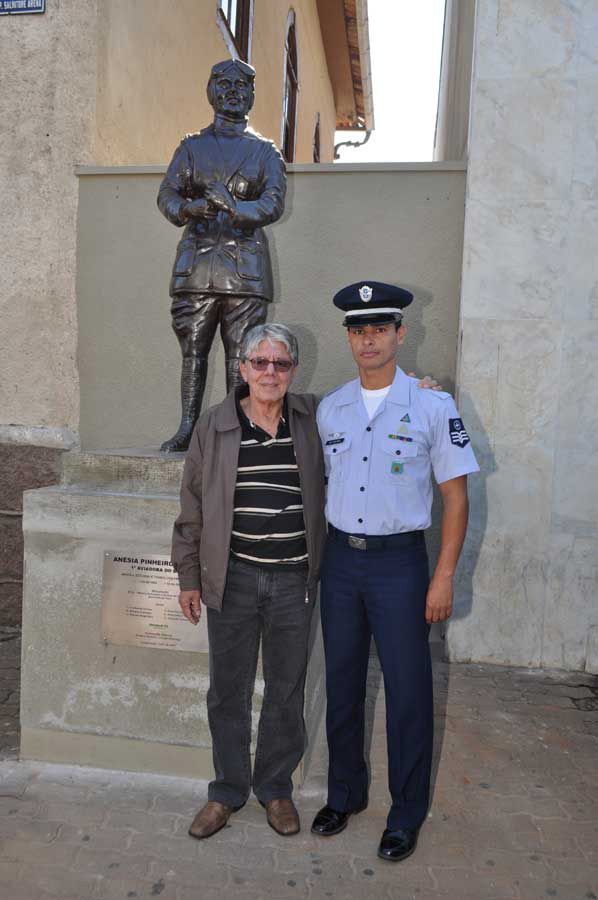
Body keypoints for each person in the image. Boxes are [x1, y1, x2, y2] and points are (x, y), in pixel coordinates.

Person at [311, 281, 479, 862]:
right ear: (349, 338)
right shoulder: (330, 407)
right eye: (358, 330)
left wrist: (445, 576)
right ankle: (345, 795)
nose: (368, 340)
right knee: (342, 684)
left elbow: (456, 500)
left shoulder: (433, 405)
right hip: (340, 563)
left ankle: (406, 813)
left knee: (408, 692)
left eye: (379, 329)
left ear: (400, 334)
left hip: (400, 566)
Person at [172, 323, 325, 839]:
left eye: (280, 364)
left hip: (293, 582)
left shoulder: (312, 419)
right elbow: (191, 507)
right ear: (242, 369)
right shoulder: (214, 425)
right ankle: (227, 791)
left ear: (292, 372)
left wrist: (419, 392)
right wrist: (188, 576)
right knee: (227, 691)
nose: (269, 372)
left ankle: (275, 789)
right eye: (259, 362)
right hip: (232, 580)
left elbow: (369, 411)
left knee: (286, 689)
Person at [157, 60, 286, 452]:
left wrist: (233, 207)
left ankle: (238, 428)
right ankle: (187, 428)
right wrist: (190, 209)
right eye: (224, 84)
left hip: (244, 271)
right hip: (196, 267)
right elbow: (167, 196)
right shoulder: (191, 148)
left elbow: (273, 204)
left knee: (242, 355)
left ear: (252, 95)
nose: (233, 91)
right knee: (193, 351)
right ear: (210, 91)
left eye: (242, 86)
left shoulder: (265, 153)